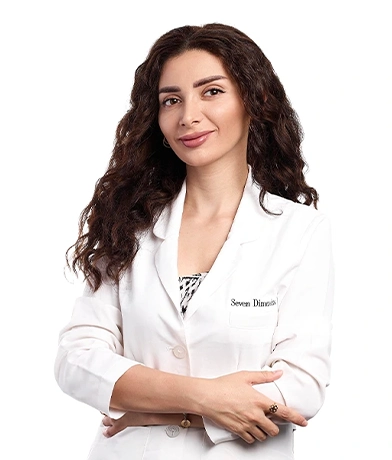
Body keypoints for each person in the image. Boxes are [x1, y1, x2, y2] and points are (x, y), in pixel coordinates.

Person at [54, 22, 334, 460]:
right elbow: (77, 360)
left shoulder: (299, 231)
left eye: (212, 92)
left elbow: (301, 388)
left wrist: (151, 408)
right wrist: (204, 399)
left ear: (254, 101)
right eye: (171, 100)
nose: (188, 116)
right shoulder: (129, 224)